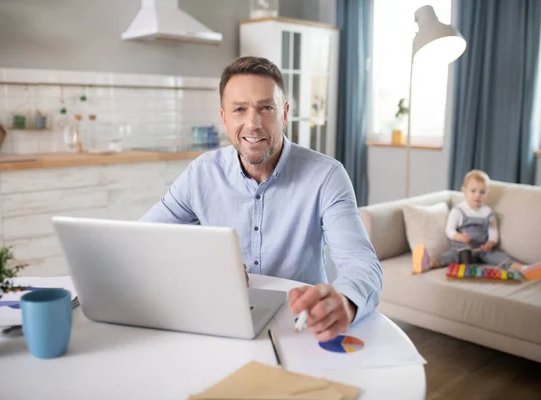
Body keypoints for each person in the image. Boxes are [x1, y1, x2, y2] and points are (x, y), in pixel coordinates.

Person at [140, 56, 383, 342]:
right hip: (219, 323)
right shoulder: (201, 174)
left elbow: (361, 262)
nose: (252, 123)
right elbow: (144, 239)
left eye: (266, 108)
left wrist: (346, 300)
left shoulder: (327, 176)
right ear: (224, 118)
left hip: (301, 327)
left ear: (284, 113)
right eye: (239, 109)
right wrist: (198, 264)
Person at [412, 169, 541, 280]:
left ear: (487, 193)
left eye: (482, 192)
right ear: (464, 190)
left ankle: (525, 269)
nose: (477, 195)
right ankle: (428, 263)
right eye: (473, 191)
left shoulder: (488, 213)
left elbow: (493, 233)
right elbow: (449, 230)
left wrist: (490, 243)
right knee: (449, 257)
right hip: (463, 248)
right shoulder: (459, 210)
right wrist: (460, 237)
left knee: (500, 257)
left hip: (483, 249)